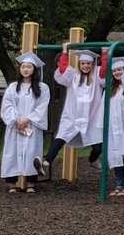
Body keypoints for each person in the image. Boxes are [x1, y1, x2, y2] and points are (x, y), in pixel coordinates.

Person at [35, 46, 103, 179]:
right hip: (72, 116)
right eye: (83, 63)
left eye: (88, 63)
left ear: (92, 64)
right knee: (60, 140)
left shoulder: (96, 77)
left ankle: (93, 160)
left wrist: (105, 54)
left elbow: (104, 73)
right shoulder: (73, 75)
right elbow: (62, 70)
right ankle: (46, 162)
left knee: (98, 147)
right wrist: (64, 52)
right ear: (79, 64)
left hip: (92, 117)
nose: (86, 66)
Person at [1, 51, 49, 194]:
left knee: (31, 152)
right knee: (12, 152)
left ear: (34, 70)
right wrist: (16, 120)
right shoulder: (13, 87)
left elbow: (42, 106)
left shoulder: (42, 88)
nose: (26, 69)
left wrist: (27, 119)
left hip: (32, 125)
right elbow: (7, 105)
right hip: (15, 126)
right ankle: (12, 184)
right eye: (23, 67)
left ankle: (30, 183)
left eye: (29, 67)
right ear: (20, 69)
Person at [104, 58, 124, 197]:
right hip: (113, 128)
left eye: (120, 69)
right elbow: (103, 108)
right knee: (115, 155)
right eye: (114, 70)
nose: (117, 72)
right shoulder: (110, 88)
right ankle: (118, 184)